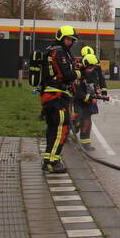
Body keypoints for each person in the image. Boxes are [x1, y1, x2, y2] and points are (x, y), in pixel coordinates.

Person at [41, 25, 79, 173]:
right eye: (68, 39)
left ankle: (48, 159)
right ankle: (52, 162)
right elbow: (67, 75)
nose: (70, 42)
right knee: (61, 129)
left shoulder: (52, 50)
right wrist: (78, 73)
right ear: (60, 38)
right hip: (57, 97)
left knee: (52, 129)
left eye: (71, 40)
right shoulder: (59, 52)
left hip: (51, 96)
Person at [73, 52, 108, 150]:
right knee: (78, 118)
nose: (92, 70)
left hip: (88, 103)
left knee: (87, 122)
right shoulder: (78, 75)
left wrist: (98, 91)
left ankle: (86, 143)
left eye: (94, 67)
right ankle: (72, 128)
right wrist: (89, 98)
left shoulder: (93, 73)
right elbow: (77, 91)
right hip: (78, 102)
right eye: (90, 68)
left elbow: (96, 84)